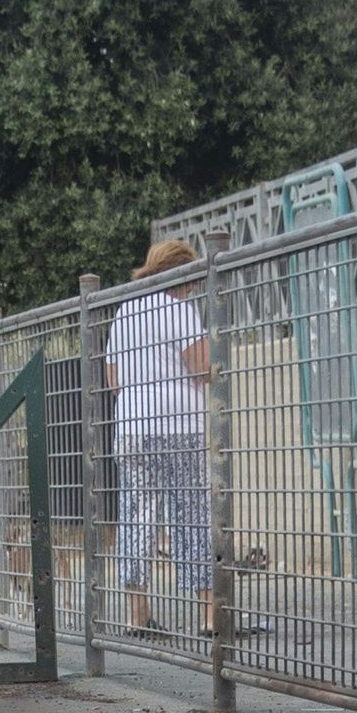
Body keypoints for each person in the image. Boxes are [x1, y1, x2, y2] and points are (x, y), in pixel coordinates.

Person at [104, 240, 214, 636]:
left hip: (131, 428)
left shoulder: (125, 311)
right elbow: (202, 368)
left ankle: (137, 613)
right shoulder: (180, 311)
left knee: (137, 516)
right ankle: (209, 616)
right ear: (183, 273)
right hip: (178, 426)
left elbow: (114, 380)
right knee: (192, 515)